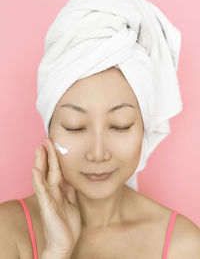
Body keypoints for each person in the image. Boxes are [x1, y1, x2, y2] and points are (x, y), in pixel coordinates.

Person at [0, 66, 200, 259]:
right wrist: (57, 252)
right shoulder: (7, 230)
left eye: (120, 125)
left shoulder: (183, 244)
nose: (98, 153)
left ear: (144, 129)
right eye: (75, 126)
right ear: (49, 129)